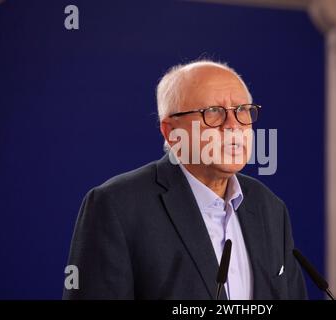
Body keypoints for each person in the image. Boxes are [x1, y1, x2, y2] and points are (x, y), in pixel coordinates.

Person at [63, 60, 307, 300]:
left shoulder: (270, 207)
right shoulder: (117, 206)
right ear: (171, 132)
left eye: (242, 110)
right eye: (213, 112)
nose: (233, 125)